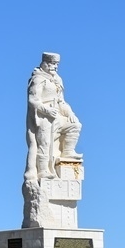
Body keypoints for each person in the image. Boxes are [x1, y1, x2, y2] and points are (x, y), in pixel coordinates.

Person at [24, 52, 82, 181]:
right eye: (51, 64)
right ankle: (43, 170)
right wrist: (47, 110)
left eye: (56, 64)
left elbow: (61, 101)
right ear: (44, 63)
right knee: (44, 143)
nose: (54, 67)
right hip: (44, 117)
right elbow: (33, 100)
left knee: (75, 125)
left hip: (58, 114)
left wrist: (70, 114)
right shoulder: (38, 79)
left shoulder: (57, 79)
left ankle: (68, 151)